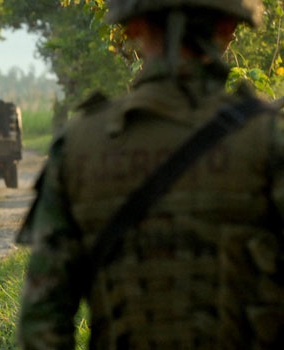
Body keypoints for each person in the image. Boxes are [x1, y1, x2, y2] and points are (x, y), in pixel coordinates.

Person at [17, 0, 284, 348]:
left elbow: (42, 321)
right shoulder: (270, 140)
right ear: (230, 29)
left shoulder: (79, 147)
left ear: (132, 27)